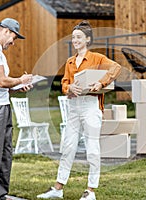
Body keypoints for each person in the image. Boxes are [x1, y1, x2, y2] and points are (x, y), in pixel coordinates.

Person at [37, 20, 121, 200]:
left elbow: (116, 68)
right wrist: (69, 89)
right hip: (74, 107)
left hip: (91, 106)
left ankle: (90, 190)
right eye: (73, 37)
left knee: (92, 149)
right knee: (68, 147)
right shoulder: (69, 62)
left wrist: (101, 82)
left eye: (78, 37)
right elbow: (65, 83)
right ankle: (58, 188)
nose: (75, 40)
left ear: (87, 40)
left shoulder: (97, 58)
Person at [0, 18, 33, 200]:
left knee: (5, 153)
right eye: (14, 38)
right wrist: (20, 80)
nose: (13, 42)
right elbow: (1, 80)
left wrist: (17, 87)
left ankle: (0, 193)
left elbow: (3, 85)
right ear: (6, 31)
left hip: (2, 106)